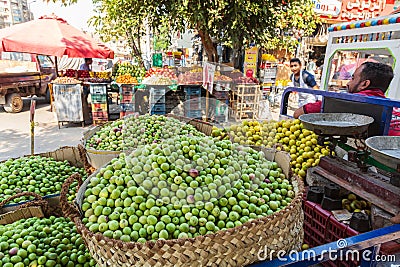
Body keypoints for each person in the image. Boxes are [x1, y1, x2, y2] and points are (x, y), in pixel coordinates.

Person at [293, 61, 400, 136]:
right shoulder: (395, 108)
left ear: (364, 84)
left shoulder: (345, 102)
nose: (348, 83)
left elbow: (297, 114)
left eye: (353, 78)